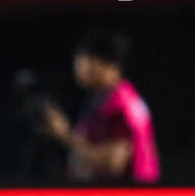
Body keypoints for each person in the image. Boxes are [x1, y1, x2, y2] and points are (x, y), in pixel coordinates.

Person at [41, 30, 160, 183]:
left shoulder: (119, 104)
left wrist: (65, 136)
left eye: (81, 59)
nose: (76, 67)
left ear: (101, 63)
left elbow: (114, 163)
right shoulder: (104, 98)